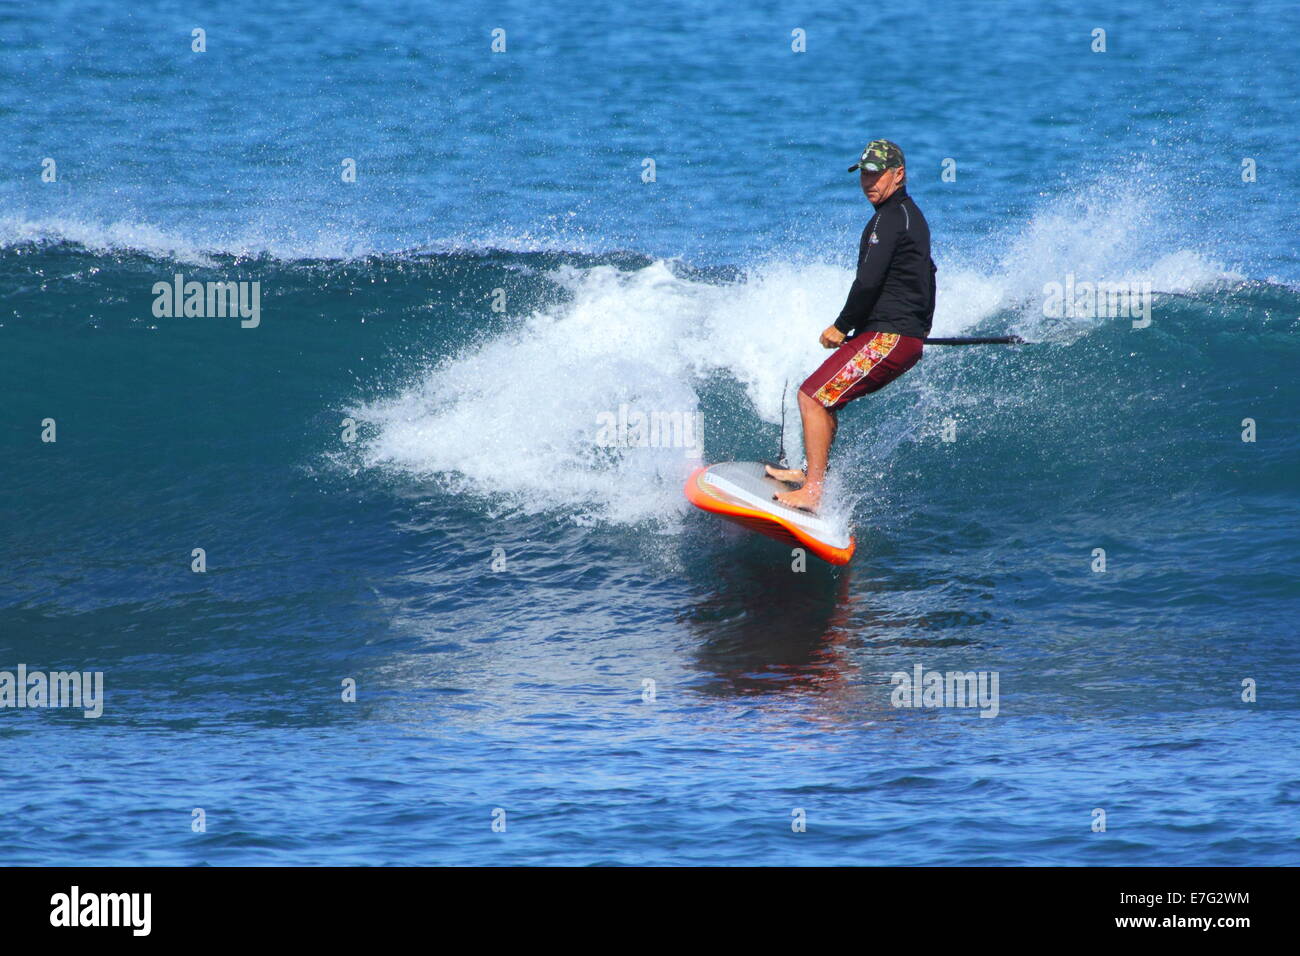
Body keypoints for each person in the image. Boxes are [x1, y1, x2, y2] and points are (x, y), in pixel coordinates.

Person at [767, 139, 937, 513]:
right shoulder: (907, 217)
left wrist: (842, 326)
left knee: (811, 397)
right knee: (823, 399)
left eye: (876, 175)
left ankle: (812, 491)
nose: (869, 182)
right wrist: (919, 330)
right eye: (864, 174)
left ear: (899, 174)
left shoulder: (892, 219)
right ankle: (812, 476)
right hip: (892, 336)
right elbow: (928, 275)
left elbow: (868, 281)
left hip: (888, 338)